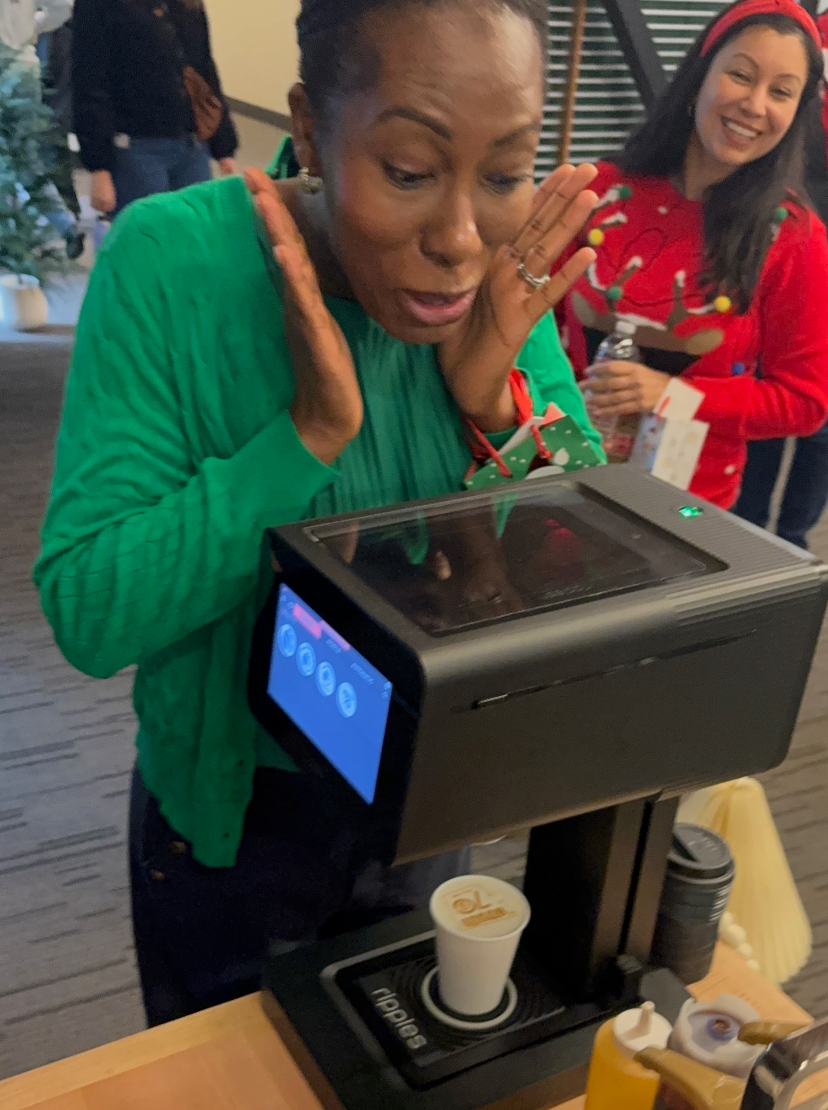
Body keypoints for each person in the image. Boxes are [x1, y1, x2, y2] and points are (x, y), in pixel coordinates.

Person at [35, 0, 602, 1026]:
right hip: (236, 813)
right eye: (410, 171)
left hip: (432, 791)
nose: (461, 240)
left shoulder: (498, 283)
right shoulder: (169, 264)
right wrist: (305, 438)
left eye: (505, 172)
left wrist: (488, 405)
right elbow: (89, 608)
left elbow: (586, 574)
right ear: (310, 125)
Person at [560, 0, 828, 510]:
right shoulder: (602, 191)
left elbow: (806, 402)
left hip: (686, 510)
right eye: (740, 75)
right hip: (560, 475)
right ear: (700, 75)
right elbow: (531, 326)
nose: (754, 105)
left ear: (796, 114)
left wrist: (668, 395)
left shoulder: (795, 237)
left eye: (781, 92)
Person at [733, 8, 828, 547]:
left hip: (804, 240)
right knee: (764, 389)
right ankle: (748, 529)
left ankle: (791, 540)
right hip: (786, 234)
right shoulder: (804, 38)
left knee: (820, 423)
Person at [71, 0, 238, 218]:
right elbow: (90, 84)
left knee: (192, 240)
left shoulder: (187, 5)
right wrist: (98, 167)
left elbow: (204, 70)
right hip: (137, 151)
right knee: (147, 242)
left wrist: (223, 148)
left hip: (192, 147)